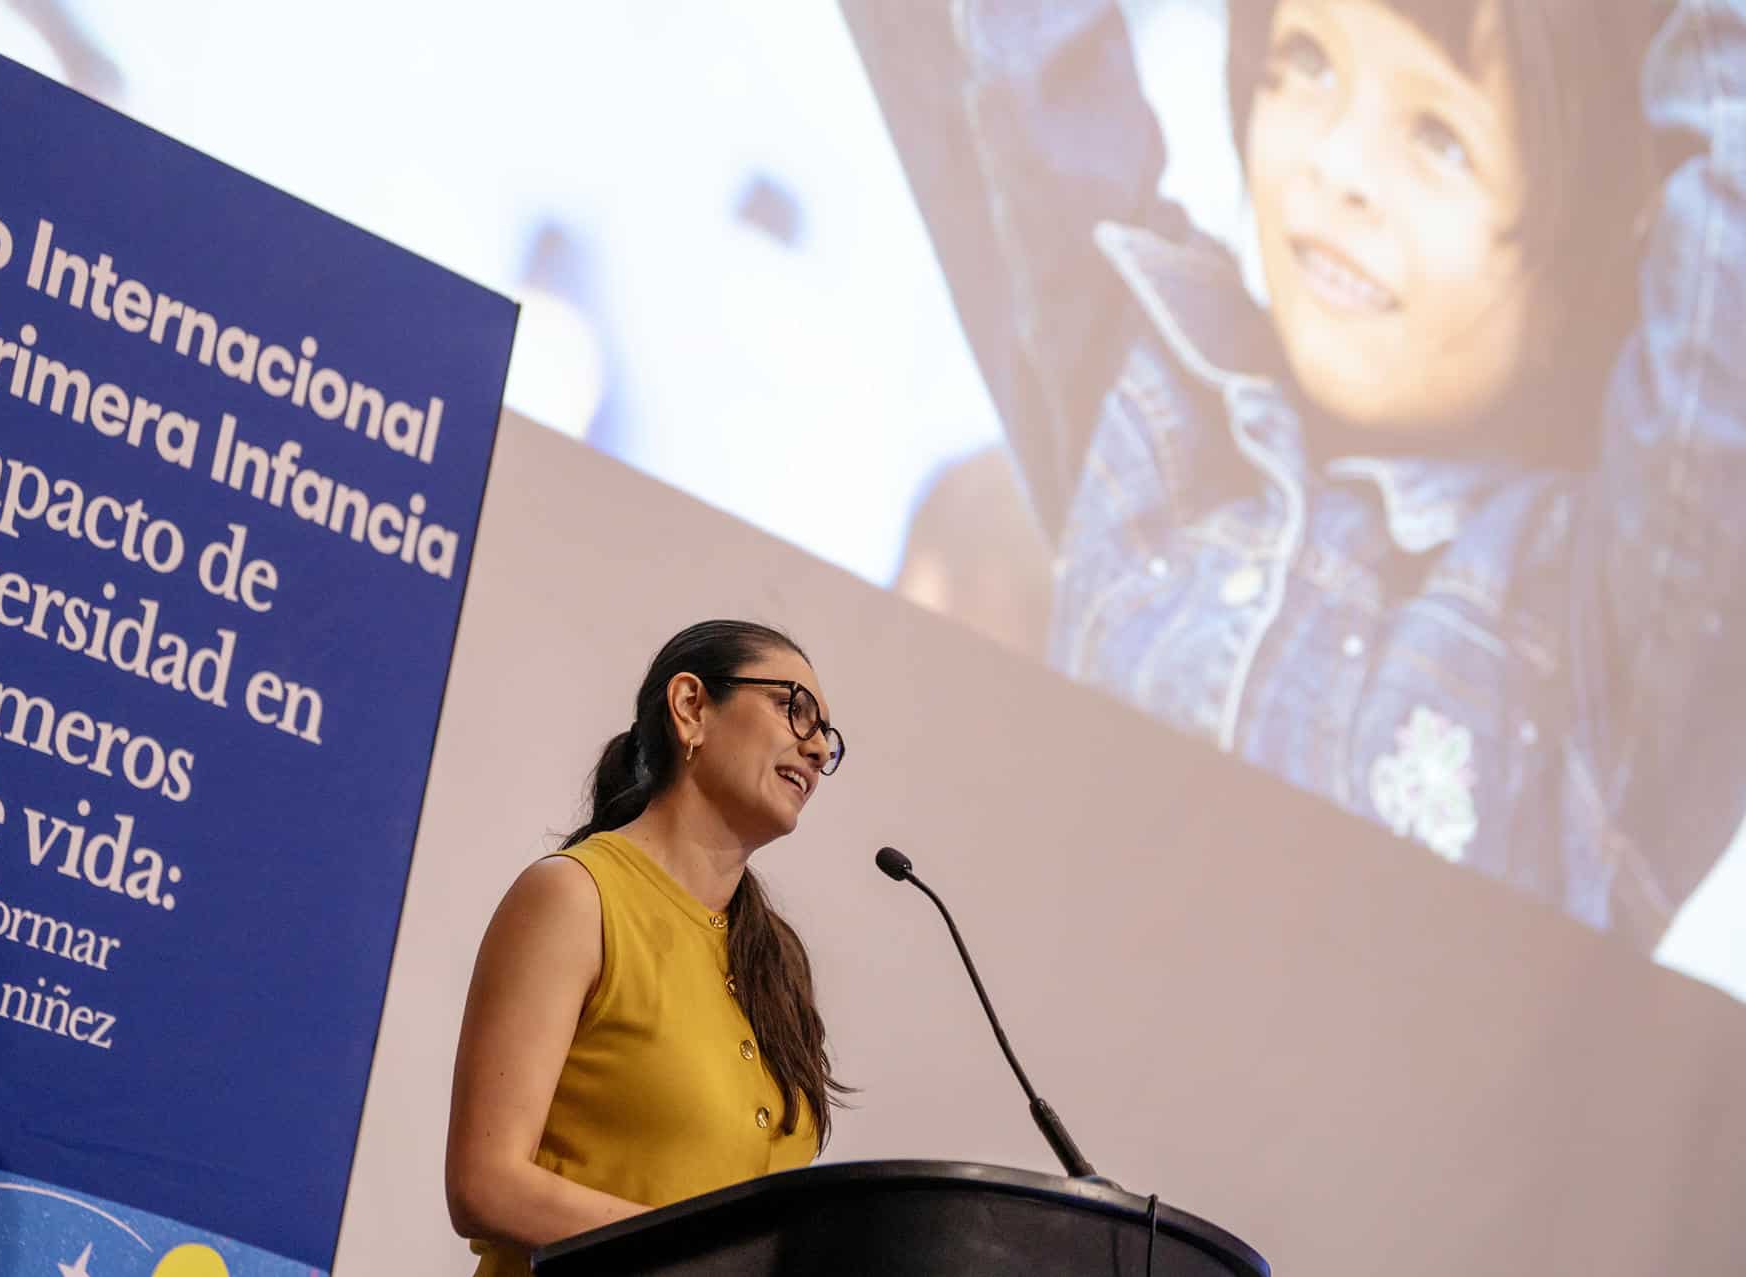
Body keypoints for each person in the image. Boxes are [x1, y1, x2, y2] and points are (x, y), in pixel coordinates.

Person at [854, 0, 1746, 948]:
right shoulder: (1152, 424)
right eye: (1309, 59)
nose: (1339, 168)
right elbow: (1010, 48)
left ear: (1605, 234)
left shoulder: (1620, 633)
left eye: (1441, 137)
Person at [444, 620, 849, 1275]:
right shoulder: (576, 897)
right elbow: (484, 1184)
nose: (813, 748)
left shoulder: (775, 960)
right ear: (691, 707)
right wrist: (725, 1253)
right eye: (792, 708)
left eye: (825, 735)